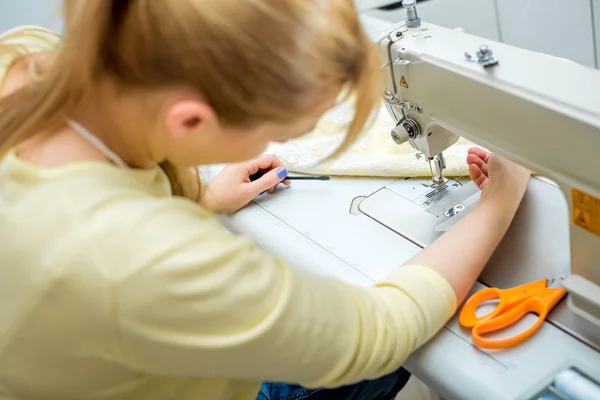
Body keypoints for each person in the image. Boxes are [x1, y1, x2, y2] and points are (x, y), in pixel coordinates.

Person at [0, 1, 530, 400]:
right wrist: (500, 201)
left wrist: (200, 201)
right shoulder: (144, 258)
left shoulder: (24, 60)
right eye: (278, 132)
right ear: (189, 121)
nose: (275, 148)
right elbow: (377, 331)